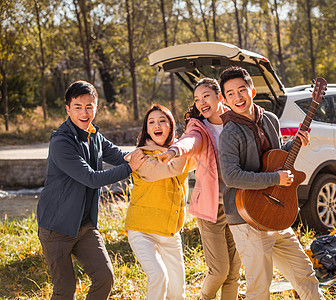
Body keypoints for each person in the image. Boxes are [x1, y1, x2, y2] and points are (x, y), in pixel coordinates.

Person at [217, 67, 324, 300]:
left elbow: (274, 158)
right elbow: (231, 177)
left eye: (241, 90)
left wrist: (296, 143)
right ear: (224, 100)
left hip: (276, 214)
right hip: (246, 218)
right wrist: (276, 179)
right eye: (231, 94)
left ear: (252, 91)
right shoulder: (229, 133)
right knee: (259, 288)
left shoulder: (270, 120)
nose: (238, 97)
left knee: (304, 274)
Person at [37, 80, 146, 300]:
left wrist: (148, 153)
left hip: (84, 226)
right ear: (68, 109)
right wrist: (129, 168)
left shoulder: (93, 134)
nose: (84, 112)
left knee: (105, 278)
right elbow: (91, 179)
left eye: (89, 106)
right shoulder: (61, 142)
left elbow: (119, 155)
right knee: (65, 289)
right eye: (78, 107)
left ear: (96, 107)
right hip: (56, 228)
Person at [155, 78, 241, 300]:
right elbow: (189, 142)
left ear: (220, 97)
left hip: (239, 205)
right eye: (196, 99)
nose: (201, 102)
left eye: (206, 96)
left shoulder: (237, 122)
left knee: (233, 273)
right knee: (220, 270)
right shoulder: (199, 128)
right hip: (210, 208)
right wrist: (174, 151)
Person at [124, 104, 195, 300]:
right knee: (158, 276)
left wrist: (195, 131)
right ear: (146, 129)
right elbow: (169, 170)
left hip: (170, 232)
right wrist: (181, 149)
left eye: (162, 121)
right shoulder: (140, 156)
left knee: (177, 292)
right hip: (142, 230)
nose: (157, 125)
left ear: (171, 125)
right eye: (151, 122)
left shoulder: (178, 151)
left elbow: (202, 154)